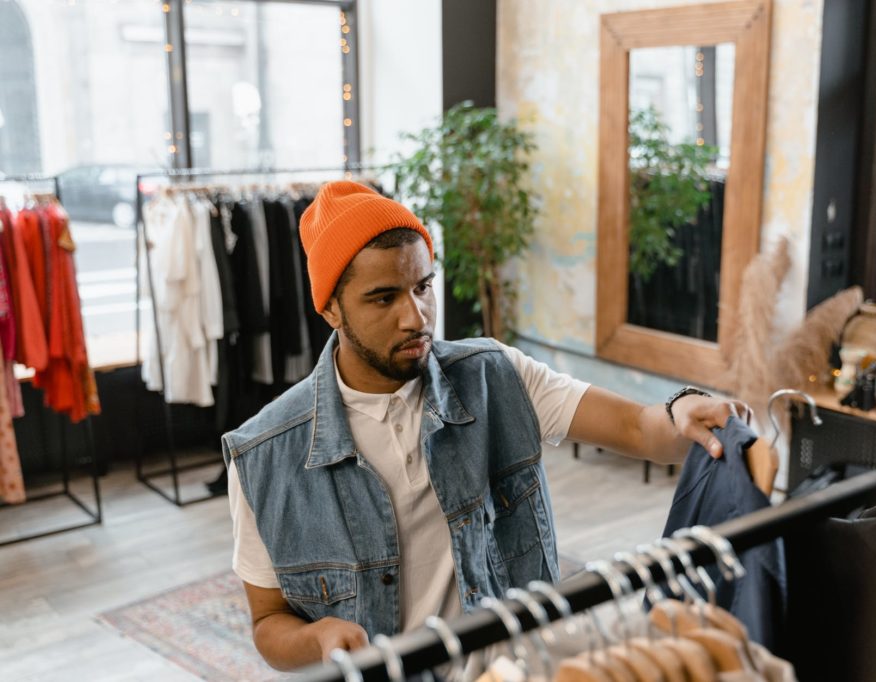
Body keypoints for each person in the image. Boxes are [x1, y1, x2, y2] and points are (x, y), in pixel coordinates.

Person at [223, 181, 747, 671]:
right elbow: (269, 623)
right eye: (384, 298)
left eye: (423, 286)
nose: (416, 316)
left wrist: (681, 406)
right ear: (331, 308)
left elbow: (638, 428)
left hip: (512, 671)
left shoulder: (496, 375)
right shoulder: (264, 456)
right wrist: (318, 638)